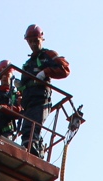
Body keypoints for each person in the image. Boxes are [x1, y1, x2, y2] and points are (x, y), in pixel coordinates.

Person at [18, 24, 70, 156]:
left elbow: (65, 70)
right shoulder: (27, 64)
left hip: (40, 100)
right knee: (26, 131)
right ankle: (30, 152)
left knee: (31, 130)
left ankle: (33, 153)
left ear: (41, 40)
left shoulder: (48, 55)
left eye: (36, 40)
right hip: (28, 103)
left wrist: (46, 72)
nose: (33, 44)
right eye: (31, 41)